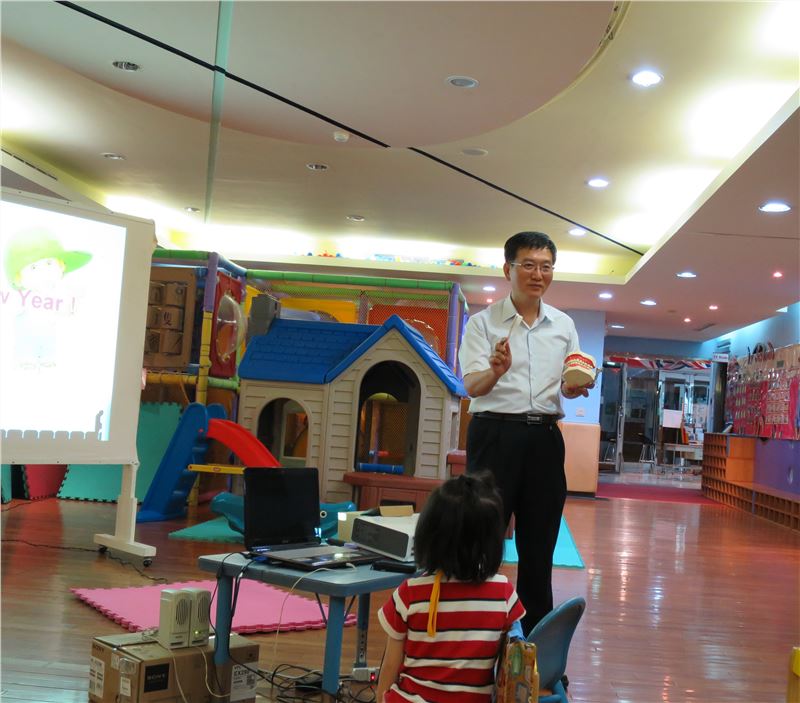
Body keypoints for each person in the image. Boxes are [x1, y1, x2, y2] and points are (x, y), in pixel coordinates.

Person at [458, 231, 591, 634]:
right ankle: (474, 627)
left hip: (544, 439)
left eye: (546, 266)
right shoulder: (482, 324)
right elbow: (472, 386)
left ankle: (533, 642)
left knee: (540, 542)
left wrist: (573, 387)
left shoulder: (564, 325)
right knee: (482, 535)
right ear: (508, 269)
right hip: (494, 435)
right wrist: (496, 371)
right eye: (528, 265)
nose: (538, 274)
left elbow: (567, 381)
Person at [376, 472, 525, 703]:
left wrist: (381, 697)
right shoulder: (504, 593)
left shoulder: (410, 593)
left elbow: (389, 668)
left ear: (429, 535)